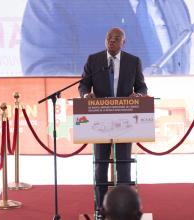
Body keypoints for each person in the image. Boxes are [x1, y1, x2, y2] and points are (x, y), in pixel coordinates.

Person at [78, 27, 147, 216]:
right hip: (99, 121)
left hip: (125, 121)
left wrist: (139, 95)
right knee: (100, 165)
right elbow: (83, 84)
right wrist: (85, 95)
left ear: (123, 42)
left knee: (123, 165)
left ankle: (123, 211)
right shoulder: (94, 60)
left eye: (116, 38)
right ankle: (101, 209)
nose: (111, 41)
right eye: (108, 37)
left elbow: (142, 86)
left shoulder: (133, 61)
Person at [20, 0, 192, 76]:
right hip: (92, 142)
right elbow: (43, 73)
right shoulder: (55, 2)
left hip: (171, 139)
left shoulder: (176, 5)